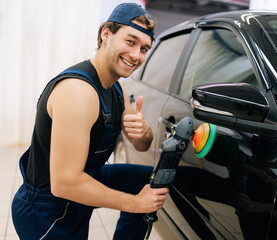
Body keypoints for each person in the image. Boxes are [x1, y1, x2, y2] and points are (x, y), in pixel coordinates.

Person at [11, 3, 169, 240]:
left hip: (83, 183)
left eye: (144, 48)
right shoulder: (78, 92)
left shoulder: (116, 89)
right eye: (130, 41)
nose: (137, 55)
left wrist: (144, 133)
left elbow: (141, 145)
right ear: (106, 33)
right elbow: (64, 183)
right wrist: (136, 203)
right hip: (46, 209)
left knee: (149, 178)